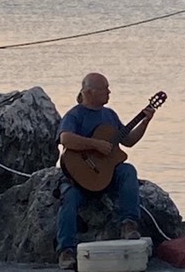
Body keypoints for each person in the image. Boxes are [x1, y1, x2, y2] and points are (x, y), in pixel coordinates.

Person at [56, 72, 155, 270]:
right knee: (69, 200)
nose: (109, 92)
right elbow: (65, 139)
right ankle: (66, 251)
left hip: (106, 176)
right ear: (89, 92)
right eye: (105, 89)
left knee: (127, 171)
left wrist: (145, 121)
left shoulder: (109, 115)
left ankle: (129, 223)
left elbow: (128, 140)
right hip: (79, 178)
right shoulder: (75, 115)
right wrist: (95, 144)